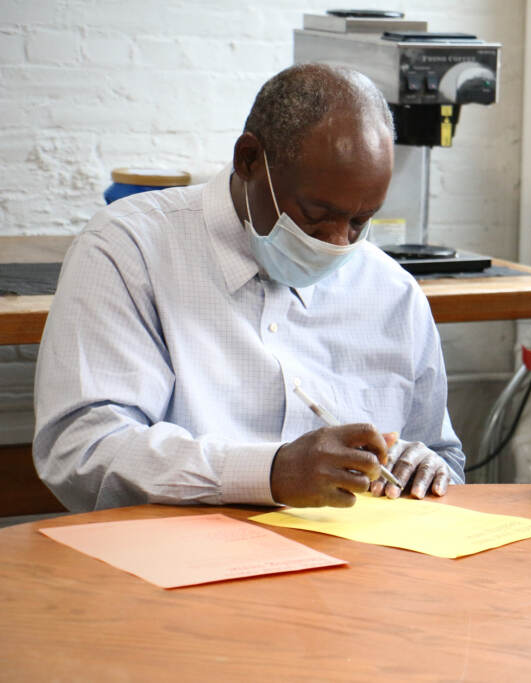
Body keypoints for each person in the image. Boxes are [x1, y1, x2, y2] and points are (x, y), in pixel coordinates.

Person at [34, 63, 465, 512]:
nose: (338, 244)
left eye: (360, 221)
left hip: (355, 567)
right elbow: (84, 450)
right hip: (180, 564)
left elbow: (445, 459)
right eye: (316, 215)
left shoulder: (392, 291)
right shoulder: (131, 250)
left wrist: (426, 468)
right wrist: (272, 474)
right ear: (249, 160)